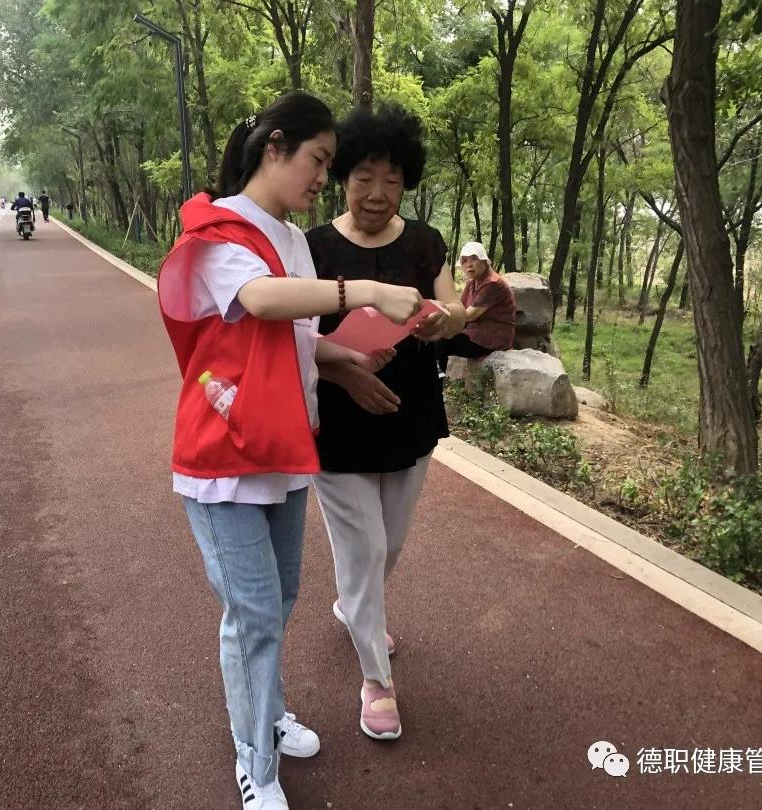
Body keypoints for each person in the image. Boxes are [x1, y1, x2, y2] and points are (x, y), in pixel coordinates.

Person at [157, 92, 423, 810]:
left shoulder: (294, 241)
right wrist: (365, 290)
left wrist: (347, 357)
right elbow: (262, 300)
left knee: (279, 600)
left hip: (281, 445)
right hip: (223, 456)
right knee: (252, 614)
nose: (323, 178)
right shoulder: (218, 230)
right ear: (275, 147)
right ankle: (256, 763)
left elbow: (296, 336)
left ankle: (267, 713)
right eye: (319, 160)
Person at [306, 104, 466, 742]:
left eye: (392, 180)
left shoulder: (424, 242)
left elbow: (456, 310)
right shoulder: (313, 248)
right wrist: (342, 370)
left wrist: (445, 320)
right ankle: (376, 681)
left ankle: (354, 605)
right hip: (336, 421)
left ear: (407, 182)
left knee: (389, 545)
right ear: (343, 176)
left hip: (410, 414)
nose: (377, 193)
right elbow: (289, 340)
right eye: (364, 177)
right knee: (366, 547)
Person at [435, 241, 517, 375]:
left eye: (474, 258)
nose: (469, 264)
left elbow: (468, 315)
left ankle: (438, 376)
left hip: (491, 340)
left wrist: (441, 313)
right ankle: (437, 374)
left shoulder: (493, 284)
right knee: (437, 336)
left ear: (485, 261)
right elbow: (460, 308)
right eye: (464, 261)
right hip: (475, 334)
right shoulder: (472, 283)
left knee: (443, 340)